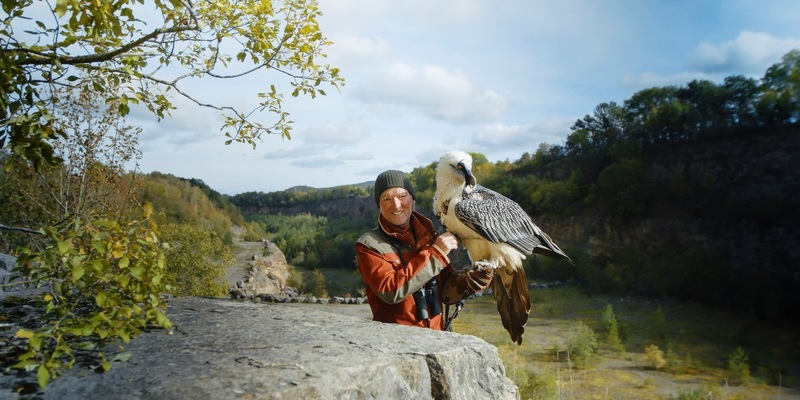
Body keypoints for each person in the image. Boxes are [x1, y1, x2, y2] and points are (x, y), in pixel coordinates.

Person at [355, 170, 494, 330]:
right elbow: (390, 291)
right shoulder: (368, 244)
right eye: (386, 198)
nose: (396, 204)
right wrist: (436, 254)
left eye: (402, 196)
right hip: (396, 342)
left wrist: (468, 282)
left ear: (412, 199)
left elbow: (446, 291)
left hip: (436, 336)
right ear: (379, 206)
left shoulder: (429, 235)